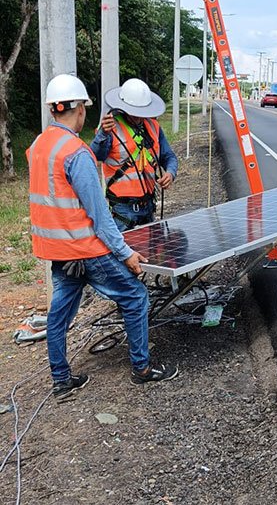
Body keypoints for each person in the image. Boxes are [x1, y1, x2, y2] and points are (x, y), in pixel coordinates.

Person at [27, 74, 178, 400]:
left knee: (59, 314)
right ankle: (142, 368)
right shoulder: (76, 152)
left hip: (59, 249)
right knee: (136, 297)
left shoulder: (39, 145)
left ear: (54, 108)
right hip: (85, 246)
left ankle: (61, 380)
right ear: (80, 109)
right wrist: (126, 254)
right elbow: (99, 215)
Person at [90, 78, 178, 231]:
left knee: (150, 253)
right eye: (134, 112)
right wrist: (103, 134)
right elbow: (96, 155)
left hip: (149, 206)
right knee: (124, 253)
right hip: (123, 210)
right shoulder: (111, 128)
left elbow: (168, 156)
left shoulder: (153, 126)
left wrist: (170, 173)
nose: (138, 117)